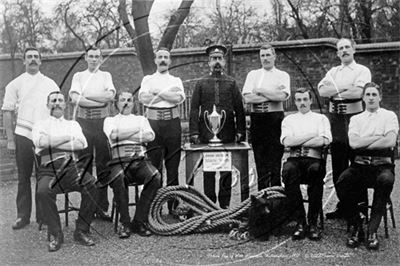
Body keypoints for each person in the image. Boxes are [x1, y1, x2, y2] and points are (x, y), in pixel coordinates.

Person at [2, 47, 60, 230]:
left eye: (36, 57)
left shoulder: (51, 84)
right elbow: (7, 113)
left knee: (44, 176)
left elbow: (57, 110)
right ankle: (22, 216)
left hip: (44, 136)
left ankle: (43, 215)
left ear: (41, 61)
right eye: (29, 57)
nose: (33, 59)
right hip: (23, 135)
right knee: (23, 177)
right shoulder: (15, 84)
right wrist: (10, 140)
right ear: (24, 61)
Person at [336, 82, 398, 250]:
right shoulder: (356, 119)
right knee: (342, 181)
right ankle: (357, 225)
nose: (371, 98)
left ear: (380, 97)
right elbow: (354, 144)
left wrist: (366, 142)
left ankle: (372, 231)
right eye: (368, 95)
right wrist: (378, 138)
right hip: (359, 166)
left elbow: (391, 141)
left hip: (382, 166)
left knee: (385, 181)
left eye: (374, 95)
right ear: (363, 98)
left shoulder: (389, 116)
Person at [32, 91, 97, 252]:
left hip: (70, 167)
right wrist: (67, 138)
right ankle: (56, 234)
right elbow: (39, 142)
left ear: (65, 104)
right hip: (49, 168)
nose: (57, 103)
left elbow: (82, 144)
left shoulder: (72, 124)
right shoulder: (40, 124)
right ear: (48, 105)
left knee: (91, 184)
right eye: (53, 100)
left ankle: (81, 230)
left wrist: (52, 142)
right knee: (42, 191)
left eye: (60, 100)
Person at [318, 38, 371, 219]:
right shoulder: (333, 71)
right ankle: (344, 206)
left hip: (355, 119)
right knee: (338, 164)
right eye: (341, 48)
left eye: (347, 47)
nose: (344, 50)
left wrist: (336, 89)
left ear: (354, 49)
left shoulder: (362, 70)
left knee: (358, 164)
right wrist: (345, 88)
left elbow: (358, 92)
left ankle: (361, 208)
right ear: (337, 53)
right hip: (336, 121)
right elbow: (322, 91)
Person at [189, 44, 246, 209]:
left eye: (220, 58)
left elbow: (239, 109)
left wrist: (241, 131)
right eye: (214, 59)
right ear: (208, 62)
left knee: (225, 169)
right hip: (206, 133)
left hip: (227, 132)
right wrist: (194, 132)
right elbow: (193, 109)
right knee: (209, 169)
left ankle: (225, 205)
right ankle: (209, 204)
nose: (217, 62)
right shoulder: (201, 83)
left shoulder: (231, 83)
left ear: (224, 61)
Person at [101, 91, 162, 238]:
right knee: (118, 177)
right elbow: (114, 136)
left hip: (140, 159)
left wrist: (122, 134)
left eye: (129, 100)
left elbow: (150, 136)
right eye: (122, 100)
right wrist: (136, 131)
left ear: (134, 103)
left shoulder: (141, 118)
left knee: (155, 176)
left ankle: (139, 221)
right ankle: (125, 222)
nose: (126, 103)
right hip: (119, 161)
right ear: (117, 103)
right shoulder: (110, 120)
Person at [69, 46, 116, 221]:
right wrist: (98, 98)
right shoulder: (78, 76)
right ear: (86, 58)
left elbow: (109, 97)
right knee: (84, 166)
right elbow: (75, 99)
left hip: (102, 123)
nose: (94, 59)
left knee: (104, 165)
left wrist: (87, 96)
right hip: (84, 124)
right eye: (91, 56)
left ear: (101, 58)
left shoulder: (106, 76)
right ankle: (87, 208)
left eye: (97, 56)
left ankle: (102, 207)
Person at [281, 88, 332, 241]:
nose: (302, 103)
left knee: (316, 170)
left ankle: (313, 223)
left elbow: (324, 140)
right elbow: (287, 142)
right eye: (299, 100)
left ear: (310, 100)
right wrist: (311, 135)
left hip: (314, 159)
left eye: (305, 99)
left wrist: (299, 140)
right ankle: (300, 222)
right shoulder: (289, 120)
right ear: (295, 102)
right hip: (294, 160)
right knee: (288, 170)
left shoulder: (321, 119)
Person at [138, 47, 185, 213]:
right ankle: (155, 209)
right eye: (160, 57)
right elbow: (144, 99)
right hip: (153, 124)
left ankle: (173, 207)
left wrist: (157, 92)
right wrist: (167, 94)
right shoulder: (148, 79)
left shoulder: (176, 80)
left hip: (172, 124)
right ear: (155, 60)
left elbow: (178, 98)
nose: (163, 60)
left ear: (170, 61)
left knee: (173, 167)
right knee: (154, 167)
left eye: (166, 57)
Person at [242, 43, 290, 189]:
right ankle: (262, 197)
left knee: (275, 159)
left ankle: (275, 197)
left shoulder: (282, 75)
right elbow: (248, 98)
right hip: (258, 119)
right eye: (262, 55)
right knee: (260, 159)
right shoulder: (253, 74)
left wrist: (261, 91)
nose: (265, 58)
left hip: (275, 118)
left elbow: (282, 96)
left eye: (268, 55)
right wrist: (271, 95)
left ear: (274, 56)